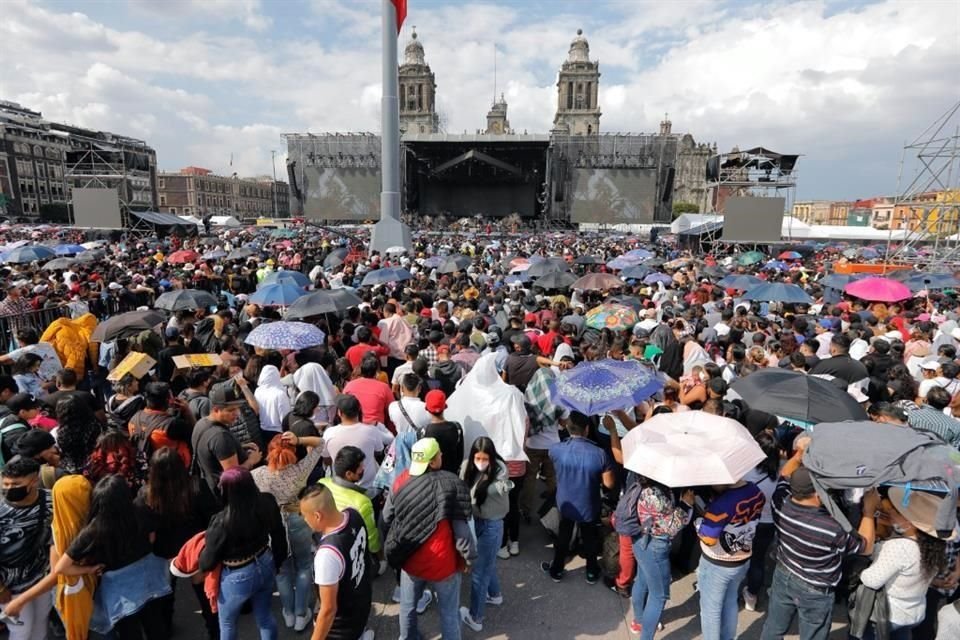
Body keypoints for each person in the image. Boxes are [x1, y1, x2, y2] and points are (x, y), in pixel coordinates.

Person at [760, 454, 879, 640]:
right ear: (817, 494)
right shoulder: (832, 528)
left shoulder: (779, 503)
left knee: (774, 628)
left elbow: (784, 475)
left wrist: (799, 454)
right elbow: (865, 547)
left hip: (784, 573)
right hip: (815, 589)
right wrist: (869, 512)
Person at [55, 474, 168, 640]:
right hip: (148, 578)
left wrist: (90, 569)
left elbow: (61, 567)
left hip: (119, 589)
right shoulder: (140, 510)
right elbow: (151, 538)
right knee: (155, 624)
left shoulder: (94, 529)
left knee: (129, 631)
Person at [383, 437, 475, 640]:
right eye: (439, 453)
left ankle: (408, 637)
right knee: (449, 613)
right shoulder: (451, 483)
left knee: (407, 608)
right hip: (444, 564)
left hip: (410, 560)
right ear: (432, 462)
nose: (442, 455)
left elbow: (387, 516)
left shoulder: (401, 480)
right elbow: (462, 533)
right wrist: (468, 558)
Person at [199, 467, 288, 640]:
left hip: (236, 575)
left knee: (227, 623)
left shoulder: (221, 521)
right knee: (265, 616)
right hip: (265, 560)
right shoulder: (267, 501)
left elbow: (206, 562)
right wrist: (276, 563)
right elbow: (279, 535)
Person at [135, 447, 215, 639]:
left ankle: (166, 629)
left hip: (163, 554)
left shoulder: (146, 494)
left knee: (165, 597)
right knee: (206, 597)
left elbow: (144, 529)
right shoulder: (197, 486)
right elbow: (212, 517)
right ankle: (215, 632)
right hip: (195, 551)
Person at [252, 432, 325, 632]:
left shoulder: (258, 474)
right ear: (292, 450)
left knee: (281, 569)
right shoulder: (300, 470)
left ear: (269, 451)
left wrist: (250, 459)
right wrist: (299, 439)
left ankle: (288, 613)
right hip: (298, 519)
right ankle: (301, 613)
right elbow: (320, 443)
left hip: (273, 524)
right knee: (303, 566)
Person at [859, 487, 948, 639]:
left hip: (888, 615)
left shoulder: (900, 546)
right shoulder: (933, 544)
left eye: (896, 511)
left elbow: (871, 580)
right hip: (912, 614)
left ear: (909, 522)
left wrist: (860, 569)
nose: (891, 512)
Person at [543, 411, 615, 584]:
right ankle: (591, 571)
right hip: (589, 503)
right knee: (589, 536)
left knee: (564, 535)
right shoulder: (599, 454)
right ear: (587, 429)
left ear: (568, 428)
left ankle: (557, 570)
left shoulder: (556, 450)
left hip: (565, 502)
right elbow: (609, 484)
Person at [299, 483, 375, 640]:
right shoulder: (353, 513)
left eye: (305, 516)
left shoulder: (327, 555)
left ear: (318, 516)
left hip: (341, 627)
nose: (305, 521)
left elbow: (328, 610)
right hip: (361, 598)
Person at [696, 472, 765, 640]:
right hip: (742, 559)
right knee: (730, 603)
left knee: (710, 610)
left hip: (717, 562)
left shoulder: (722, 504)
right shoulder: (756, 491)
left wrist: (698, 523)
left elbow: (708, 538)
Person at [459, 437, 512, 633]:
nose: (480, 462)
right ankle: (495, 594)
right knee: (487, 564)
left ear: (492, 457)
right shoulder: (467, 466)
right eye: (477, 457)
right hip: (473, 522)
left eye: (484, 458)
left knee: (479, 574)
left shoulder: (500, 470)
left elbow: (503, 486)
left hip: (492, 526)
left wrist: (503, 487)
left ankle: (476, 618)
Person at [0, 458, 53, 640]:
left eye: (15, 484)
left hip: (41, 580)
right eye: (5, 483)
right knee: (21, 632)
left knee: (40, 626)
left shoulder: (50, 501)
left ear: (34, 481)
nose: (8, 488)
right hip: (9, 588)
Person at [318, 447, 384, 575]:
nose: (363, 469)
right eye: (360, 468)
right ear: (348, 474)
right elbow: (371, 537)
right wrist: (380, 557)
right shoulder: (362, 502)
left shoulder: (322, 483)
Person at [191, 385, 262, 504]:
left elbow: (212, 450)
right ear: (216, 410)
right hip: (228, 498)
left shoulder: (201, 423)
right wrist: (252, 460)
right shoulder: (221, 437)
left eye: (237, 408)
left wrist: (239, 447)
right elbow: (234, 477)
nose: (237, 413)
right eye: (231, 410)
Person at [323, 394, 391, 491]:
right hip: (369, 487)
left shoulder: (329, 433)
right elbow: (379, 452)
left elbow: (326, 460)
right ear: (359, 411)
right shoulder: (371, 431)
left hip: (341, 487)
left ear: (339, 413)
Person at [419, 389, 464, 475]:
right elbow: (460, 457)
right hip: (452, 476)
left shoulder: (422, 432)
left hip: (432, 478)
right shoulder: (457, 428)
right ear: (444, 407)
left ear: (427, 409)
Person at [343, 356, 395, 428]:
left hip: (352, 427)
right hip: (376, 430)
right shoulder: (384, 388)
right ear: (376, 372)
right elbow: (392, 411)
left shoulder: (349, 385)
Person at [1, 394, 39, 466]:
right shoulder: (16, 430)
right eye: (35, 408)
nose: (38, 409)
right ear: (22, 412)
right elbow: (21, 454)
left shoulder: (10, 418)